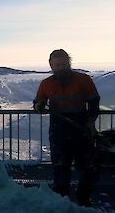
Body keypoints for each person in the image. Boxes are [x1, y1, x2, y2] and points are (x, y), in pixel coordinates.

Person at [33, 49, 100, 206]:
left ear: (69, 63)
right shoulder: (46, 84)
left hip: (81, 130)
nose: (61, 67)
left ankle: (83, 199)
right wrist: (39, 105)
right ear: (51, 65)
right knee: (60, 168)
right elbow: (37, 102)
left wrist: (90, 122)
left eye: (64, 63)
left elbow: (94, 102)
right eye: (57, 65)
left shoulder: (83, 80)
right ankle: (62, 202)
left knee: (89, 168)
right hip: (59, 131)